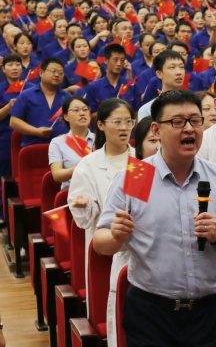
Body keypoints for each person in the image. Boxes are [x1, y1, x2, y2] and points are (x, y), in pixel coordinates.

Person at [93, 90, 216, 346]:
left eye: (195, 121)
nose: (189, 128)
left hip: (207, 313)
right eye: (177, 122)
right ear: (156, 130)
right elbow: (100, 243)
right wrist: (115, 235)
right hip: (151, 314)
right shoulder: (139, 175)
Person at [68, 98, 135, 347]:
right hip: (103, 247)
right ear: (101, 125)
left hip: (140, 244)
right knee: (112, 306)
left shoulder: (141, 160)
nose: (124, 127)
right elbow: (84, 216)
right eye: (117, 122)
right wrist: (84, 203)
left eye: (128, 121)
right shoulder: (89, 164)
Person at [10, 57, 70, 147]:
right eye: (53, 71)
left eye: (60, 73)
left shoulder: (68, 98)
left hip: (62, 148)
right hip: (33, 147)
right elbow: (14, 122)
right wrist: (36, 131)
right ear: (41, 73)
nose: (57, 75)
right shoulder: (26, 95)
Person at [48, 96, 94, 189]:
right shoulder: (58, 142)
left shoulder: (100, 139)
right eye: (76, 110)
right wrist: (80, 168)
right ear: (66, 117)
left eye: (85, 109)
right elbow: (57, 175)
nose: (82, 113)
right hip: (73, 192)